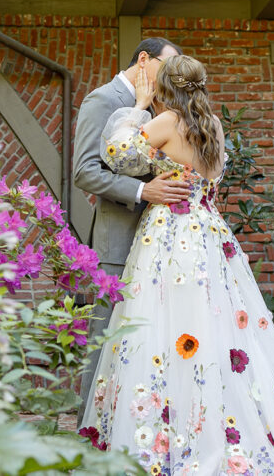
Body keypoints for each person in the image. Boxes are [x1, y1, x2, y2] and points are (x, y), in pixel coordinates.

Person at [79, 55, 274, 475]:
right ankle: (214, 420)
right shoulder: (213, 125)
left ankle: (176, 430)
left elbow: (119, 153)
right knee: (214, 328)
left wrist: (138, 103)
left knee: (165, 327)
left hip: (171, 238)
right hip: (209, 234)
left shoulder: (167, 122)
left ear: (167, 87)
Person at [73, 37, 193, 404]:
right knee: (106, 340)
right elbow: (85, 172)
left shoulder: (165, 105)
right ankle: (87, 439)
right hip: (119, 240)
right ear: (144, 59)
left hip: (159, 242)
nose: (172, 75)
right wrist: (144, 193)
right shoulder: (104, 100)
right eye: (167, 66)